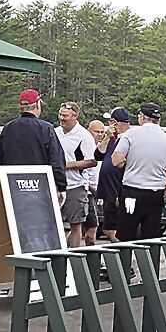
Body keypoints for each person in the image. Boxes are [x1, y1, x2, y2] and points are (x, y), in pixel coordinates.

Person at [111, 102, 166, 242]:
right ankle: (151, 264)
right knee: (151, 238)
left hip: (132, 192)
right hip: (155, 193)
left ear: (142, 117)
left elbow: (116, 161)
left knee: (126, 236)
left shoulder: (130, 135)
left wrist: (128, 163)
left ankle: (125, 263)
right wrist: (164, 193)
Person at [0, 89, 66, 195]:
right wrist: (61, 186)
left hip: (12, 186)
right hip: (40, 186)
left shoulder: (8, 128)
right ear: (37, 105)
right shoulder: (46, 128)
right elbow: (56, 160)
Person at [53, 102, 98, 248]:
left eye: (65, 116)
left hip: (75, 185)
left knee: (75, 225)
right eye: (60, 115)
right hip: (54, 185)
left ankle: (74, 258)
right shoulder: (54, 132)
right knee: (54, 224)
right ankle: (58, 257)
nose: (62, 118)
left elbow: (92, 161)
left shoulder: (84, 136)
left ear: (75, 116)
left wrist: (68, 165)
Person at [97, 108, 130, 243]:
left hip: (118, 188)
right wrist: (107, 138)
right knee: (108, 227)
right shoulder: (111, 138)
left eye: (111, 121)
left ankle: (122, 254)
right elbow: (98, 155)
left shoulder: (128, 138)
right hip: (107, 188)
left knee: (114, 228)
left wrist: (120, 192)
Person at [83, 120, 108, 246]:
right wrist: (93, 189)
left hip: (98, 192)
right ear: (88, 130)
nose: (99, 134)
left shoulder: (101, 148)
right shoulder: (85, 146)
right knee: (91, 226)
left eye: (102, 132)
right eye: (96, 131)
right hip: (87, 191)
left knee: (85, 227)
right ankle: (92, 257)